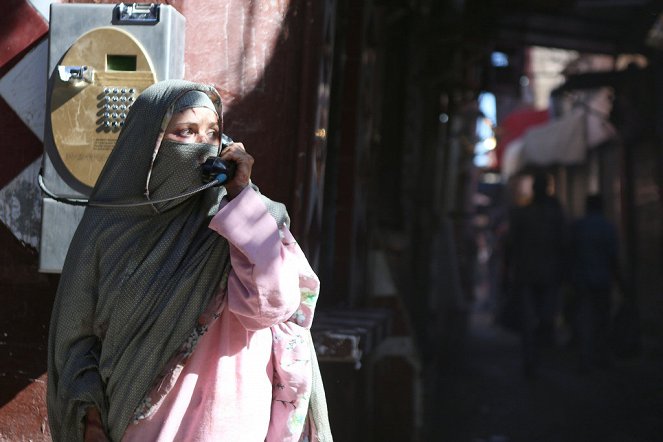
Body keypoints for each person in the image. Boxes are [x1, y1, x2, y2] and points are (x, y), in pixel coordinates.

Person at [47, 80, 332, 441]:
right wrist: (89, 419)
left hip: (228, 424)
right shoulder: (108, 229)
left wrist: (242, 199)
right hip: (141, 426)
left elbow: (271, 305)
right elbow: (75, 340)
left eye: (212, 134)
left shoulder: (244, 219)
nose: (202, 148)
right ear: (147, 146)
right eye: (185, 133)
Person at [506, 172, 567, 377]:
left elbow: (511, 246)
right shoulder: (554, 215)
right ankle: (535, 357)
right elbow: (563, 244)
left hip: (529, 274)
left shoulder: (523, 214)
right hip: (546, 274)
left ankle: (532, 358)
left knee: (531, 319)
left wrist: (508, 272)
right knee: (541, 318)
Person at [569, 194, 620, 372]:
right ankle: (602, 356)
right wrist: (620, 281)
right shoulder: (608, 228)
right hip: (602, 279)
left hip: (582, 280)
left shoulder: (579, 227)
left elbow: (570, 253)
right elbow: (613, 258)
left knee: (585, 319)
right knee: (602, 320)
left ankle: (586, 357)